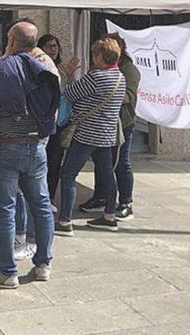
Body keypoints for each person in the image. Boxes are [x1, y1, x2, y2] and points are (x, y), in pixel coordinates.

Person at [0, 21, 59, 289]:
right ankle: (43, 264)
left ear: (11, 41)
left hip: (6, 145)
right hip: (36, 145)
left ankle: (6, 272)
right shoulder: (46, 67)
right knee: (42, 205)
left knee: (5, 209)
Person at [56, 39, 126, 235]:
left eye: (94, 55)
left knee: (68, 175)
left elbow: (70, 93)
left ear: (101, 57)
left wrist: (70, 76)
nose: (92, 58)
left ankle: (64, 221)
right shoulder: (120, 77)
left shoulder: (95, 77)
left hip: (86, 134)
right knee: (107, 175)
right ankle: (110, 216)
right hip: (106, 135)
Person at [80, 34, 141, 220]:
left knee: (121, 162)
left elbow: (128, 97)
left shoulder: (129, 70)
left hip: (123, 123)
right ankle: (101, 197)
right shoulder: (100, 68)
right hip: (103, 123)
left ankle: (126, 202)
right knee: (102, 162)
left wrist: (104, 88)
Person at [37, 34, 81, 207]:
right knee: (42, 162)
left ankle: (49, 196)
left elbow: (73, 93)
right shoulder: (39, 67)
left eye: (55, 46)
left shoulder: (62, 69)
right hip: (44, 120)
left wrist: (70, 76)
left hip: (61, 122)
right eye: (49, 46)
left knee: (55, 162)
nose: (53, 50)